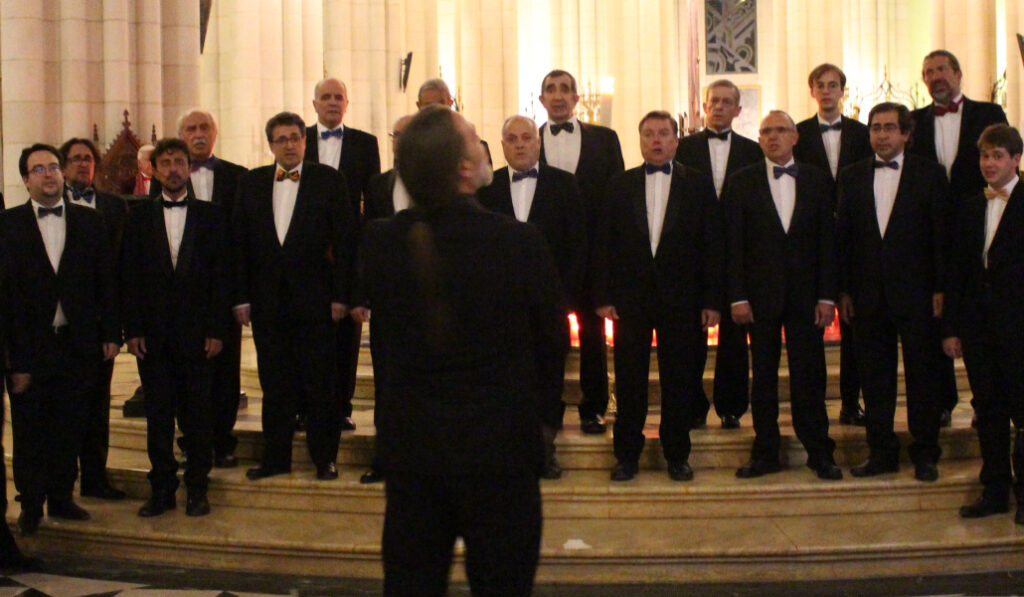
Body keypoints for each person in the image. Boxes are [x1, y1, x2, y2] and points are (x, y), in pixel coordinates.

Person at [362, 105, 563, 595]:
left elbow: (388, 345)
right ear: (464, 168)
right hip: (499, 453)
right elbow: (551, 344)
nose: (483, 145)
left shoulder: (382, 242)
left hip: (414, 451)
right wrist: (541, 428)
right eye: (474, 138)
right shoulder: (518, 242)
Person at [592, 111, 722, 482]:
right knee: (629, 379)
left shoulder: (698, 184)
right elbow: (604, 243)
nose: (656, 140)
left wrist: (712, 300)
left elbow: (712, 245)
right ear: (640, 141)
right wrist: (603, 295)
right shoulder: (619, 184)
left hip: (683, 300)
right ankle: (626, 456)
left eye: (663, 133)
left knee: (679, 380)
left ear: (676, 140)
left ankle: (677, 455)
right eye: (648, 134)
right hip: (630, 300)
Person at [0, 144, 120, 535]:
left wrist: (109, 333)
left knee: (71, 424)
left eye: (53, 166)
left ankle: (62, 497)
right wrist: (13, 360)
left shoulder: (90, 221)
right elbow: (5, 297)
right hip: (29, 347)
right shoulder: (8, 225)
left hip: (77, 342)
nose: (48, 174)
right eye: (38, 169)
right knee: (30, 429)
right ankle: (31, 503)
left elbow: (105, 282)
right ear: (25, 179)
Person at [233, 112, 357, 481]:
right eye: (281, 139)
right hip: (267, 302)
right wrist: (241, 297)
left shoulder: (329, 180)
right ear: (270, 145)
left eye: (295, 137)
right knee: (274, 384)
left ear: (305, 141)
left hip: (317, 301)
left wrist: (341, 296)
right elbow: (239, 244)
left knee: (321, 384)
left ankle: (325, 459)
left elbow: (346, 242)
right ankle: (275, 459)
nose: (289, 145)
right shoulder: (251, 182)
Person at [725, 111, 842, 481]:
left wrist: (827, 297)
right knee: (762, 378)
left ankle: (819, 452)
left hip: (807, 298)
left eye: (780, 130)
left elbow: (828, 243)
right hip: (758, 298)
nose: (772, 137)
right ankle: (765, 452)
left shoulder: (817, 180)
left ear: (795, 137)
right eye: (766, 132)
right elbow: (733, 244)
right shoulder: (741, 182)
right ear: (759, 139)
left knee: (810, 376)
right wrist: (737, 296)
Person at [837, 102, 950, 482]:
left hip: (918, 293)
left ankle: (925, 453)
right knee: (875, 379)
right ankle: (881, 452)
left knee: (923, 377)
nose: (881, 135)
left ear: (906, 133)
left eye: (889, 128)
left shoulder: (930, 174)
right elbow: (844, 238)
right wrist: (844, 290)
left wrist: (940, 287)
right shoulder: (851, 176)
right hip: (867, 294)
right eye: (875, 128)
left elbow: (940, 236)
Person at [122, 138, 229, 517]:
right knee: (158, 417)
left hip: (198, 335)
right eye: (165, 163)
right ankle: (162, 490)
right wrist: (133, 330)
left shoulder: (212, 216)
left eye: (179, 162)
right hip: (153, 338)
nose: (172, 169)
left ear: (189, 167)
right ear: (154, 169)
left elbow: (221, 277)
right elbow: (129, 278)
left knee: (198, 417)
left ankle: (198, 488)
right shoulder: (137, 218)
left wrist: (216, 329)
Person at [479, 114, 587, 478]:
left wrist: (563, 299)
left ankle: (544, 451)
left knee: (548, 379)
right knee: (504, 381)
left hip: (549, 307)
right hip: (499, 309)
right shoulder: (487, 188)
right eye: (512, 139)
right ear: (502, 146)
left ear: (539, 143)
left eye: (526, 137)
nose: (520, 144)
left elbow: (577, 246)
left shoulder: (564, 184)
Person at [909, 50, 1008, 426]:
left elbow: (1000, 160)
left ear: (958, 73)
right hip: (929, 235)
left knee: (981, 312)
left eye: (942, 69)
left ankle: (989, 402)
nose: (936, 76)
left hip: (980, 224)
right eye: (929, 72)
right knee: (935, 317)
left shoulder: (989, 113)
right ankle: (942, 401)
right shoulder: (914, 121)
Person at [943, 124, 1024, 525]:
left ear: (1016, 159)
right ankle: (994, 489)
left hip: (1019, 329)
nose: (988, 163)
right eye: (984, 156)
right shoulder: (971, 206)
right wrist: (951, 329)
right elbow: (957, 273)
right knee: (988, 411)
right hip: (979, 330)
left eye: (997, 156)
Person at [538, 69, 625, 436]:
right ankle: (548, 406)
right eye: (551, 89)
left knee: (593, 334)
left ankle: (594, 408)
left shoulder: (605, 140)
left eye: (565, 89)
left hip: (592, 253)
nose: (558, 96)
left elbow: (618, 197)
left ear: (576, 99)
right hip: (544, 258)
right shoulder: (528, 139)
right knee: (547, 335)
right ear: (541, 99)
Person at [675, 79, 763, 430]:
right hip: (694, 255)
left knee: (734, 336)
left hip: (739, 252)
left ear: (738, 110)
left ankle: (731, 406)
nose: (719, 107)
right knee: (690, 334)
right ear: (704, 106)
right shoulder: (682, 148)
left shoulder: (753, 151)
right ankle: (693, 404)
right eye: (714, 101)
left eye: (727, 102)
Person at [794, 63, 874, 426]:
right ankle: (812, 407)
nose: (826, 91)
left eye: (832, 85)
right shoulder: (797, 134)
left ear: (842, 90)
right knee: (812, 327)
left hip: (856, 239)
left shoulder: (863, 133)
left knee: (855, 326)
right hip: (812, 242)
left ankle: (850, 401)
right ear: (812, 91)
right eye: (820, 85)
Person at [173, 109, 249, 468]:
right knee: (187, 372)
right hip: (184, 294)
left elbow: (246, 237)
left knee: (226, 370)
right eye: (191, 128)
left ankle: (223, 440)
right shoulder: (169, 178)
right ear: (182, 136)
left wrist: (242, 294)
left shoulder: (239, 177)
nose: (199, 133)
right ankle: (191, 440)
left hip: (226, 289)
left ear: (215, 134)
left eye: (205, 127)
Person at [58, 137, 128, 501]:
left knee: (97, 407)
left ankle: (95, 479)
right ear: (63, 166)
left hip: (98, 323)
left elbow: (120, 272)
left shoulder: (115, 207)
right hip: (57, 325)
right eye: (76, 159)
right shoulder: (50, 204)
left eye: (88, 158)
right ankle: (59, 486)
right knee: (61, 409)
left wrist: (113, 329)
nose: (83, 164)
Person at [356, 113, 413, 486]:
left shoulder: (441, 182)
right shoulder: (377, 185)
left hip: (430, 301)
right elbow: (367, 243)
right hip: (389, 303)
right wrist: (363, 294)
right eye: (398, 135)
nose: (403, 141)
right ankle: (385, 457)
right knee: (386, 383)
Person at [416, 78, 492, 164]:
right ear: (419, 106)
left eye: (441, 104)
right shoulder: (410, 148)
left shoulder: (475, 148)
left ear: (450, 103)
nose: (436, 111)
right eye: (429, 106)